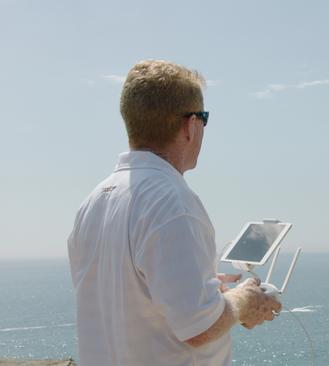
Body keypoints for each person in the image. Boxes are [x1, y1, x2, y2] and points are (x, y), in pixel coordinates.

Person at [68, 60, 281, 366]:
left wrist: (200, 284)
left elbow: (131, 292)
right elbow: (199, 326)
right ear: (190, 125)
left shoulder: (93, 203)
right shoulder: (173, 203)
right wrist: (243, 301)